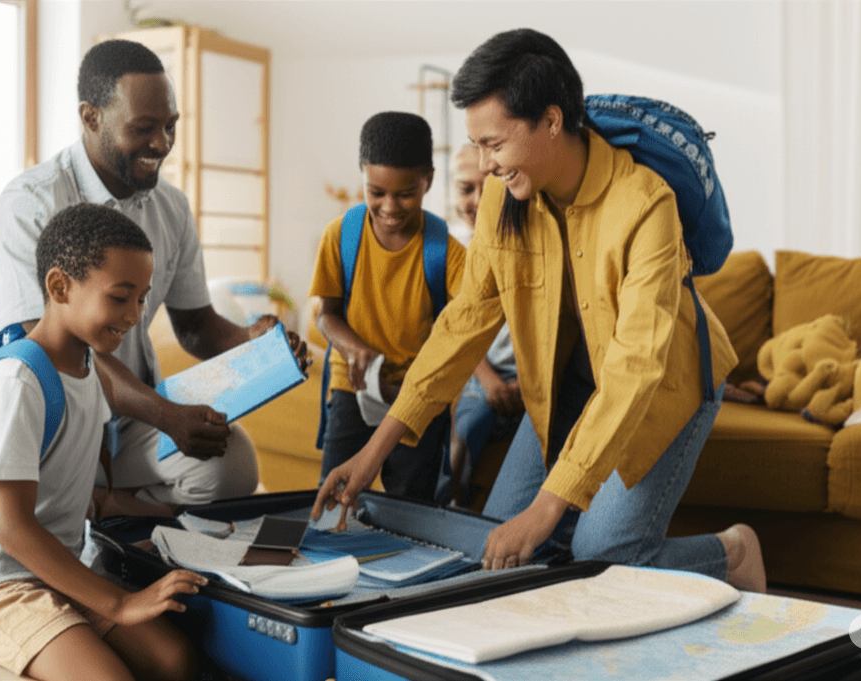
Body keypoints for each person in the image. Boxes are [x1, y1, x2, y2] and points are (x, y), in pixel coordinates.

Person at [313, 28, 767, 593]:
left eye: (494, 144)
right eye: (477, 145)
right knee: (499, 550)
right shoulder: (507, 194)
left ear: (552, 121)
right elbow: (462, 324)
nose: (484, 165)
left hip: (660, 388)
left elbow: (633, 374)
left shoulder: (646, 204)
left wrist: (550, 506)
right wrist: (371, 453)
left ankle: (734, 552)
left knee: (601, 552)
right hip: (561, 388)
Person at [0, 39, 307, 513]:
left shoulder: (171, 207)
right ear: (91, 117)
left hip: (133, 412)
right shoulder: (29, 203)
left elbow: (196, 325)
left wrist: (258, 346)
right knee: (35, 504)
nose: (162, 143)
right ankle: (106, 505)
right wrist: (168, 415)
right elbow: (48, 347)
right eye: (143, 128)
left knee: (233, 465)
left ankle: (106, 503)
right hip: (58, 413)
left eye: (170, 126)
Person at [0, 203, 205, 681]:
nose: (135, 315)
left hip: (54, 569)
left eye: (142, 299)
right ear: (59, 287)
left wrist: (167, 520)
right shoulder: (19, 381)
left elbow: (75, 491)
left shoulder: (87, 370)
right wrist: (120, 604)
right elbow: (13, 529)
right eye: (121, 297)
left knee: (176, 663)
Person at [309, 111, 467, 501]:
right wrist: (354, 348)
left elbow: (464, 329)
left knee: (411, 507)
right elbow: (325, 314)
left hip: (415, 395)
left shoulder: (446, 253)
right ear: (363, 175)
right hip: (353, 386)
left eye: (404, 193)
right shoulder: (340, 235)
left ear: (427, 181)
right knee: (334, 498)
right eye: (376, 192)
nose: (389, 207)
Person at [438, 144, 523, 505]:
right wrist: (488, 381)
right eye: (465, 189)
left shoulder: (529, 247)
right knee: (467, 425)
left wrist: (528, 383)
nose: (475, 201)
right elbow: (460, 333)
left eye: (485, 188)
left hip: (533, 378)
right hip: (486, 375)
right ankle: (446, 505)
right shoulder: (460, 257)